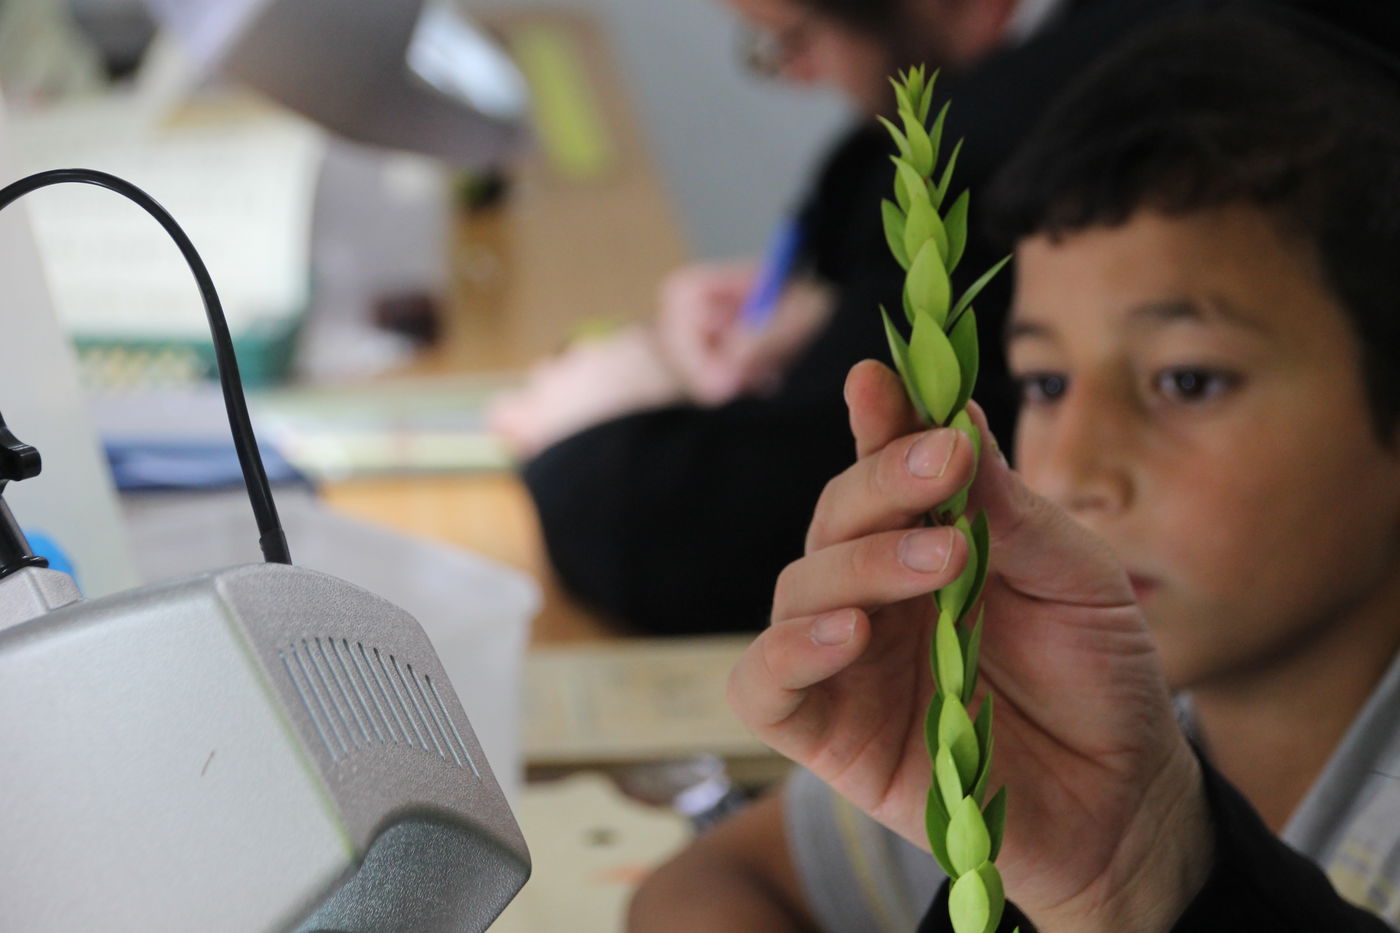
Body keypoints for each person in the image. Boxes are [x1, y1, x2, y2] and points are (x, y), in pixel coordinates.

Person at [635, 3, 1400, 930]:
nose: (1075, 470)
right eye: (1043, 381)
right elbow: (704, 884)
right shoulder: (1068, 706)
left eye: (1187, 380)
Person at [487, 0, 1187, 635]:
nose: (797, 76)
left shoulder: (1030, 140)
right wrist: (830, 310)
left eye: (798, 38)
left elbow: (730, 542)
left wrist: (595, 425)